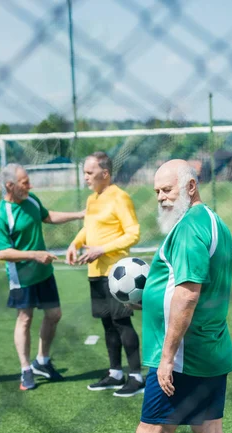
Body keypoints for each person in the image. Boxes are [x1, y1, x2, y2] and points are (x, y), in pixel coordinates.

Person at [122, 159, 232, 433]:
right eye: (156, 192)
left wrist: (166, 356)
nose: (161, 197)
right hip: (212, 348)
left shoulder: (187, 229)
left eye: (167, 189)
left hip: (183, 356)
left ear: (190, 186)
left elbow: (187, 294)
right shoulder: (214, 222)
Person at [0, 163, 85, 391]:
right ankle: (26, 369)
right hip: (22, 277)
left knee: (54, 315)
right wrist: (33, 255)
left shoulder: (31, 200)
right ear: (9, 186)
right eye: (25, 183)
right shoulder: (1, 214)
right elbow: (1, 252)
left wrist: (80, 214)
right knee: (25, 319)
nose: (29, 186)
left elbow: (48, 216)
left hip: (44, 273)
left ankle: (42, 361)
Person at [66, 151, 144, 398]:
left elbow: (133, 233)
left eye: (89, 172)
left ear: (105, 173)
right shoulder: (92, 200)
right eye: (85, 173)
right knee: (108, 324)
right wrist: (75, 243)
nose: (85, 177)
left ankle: (135, 376)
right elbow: (89, 227)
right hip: (95, 272)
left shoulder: (120, 197)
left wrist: (102, 249)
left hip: (116, 273)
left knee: (122, 323)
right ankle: (115, 373)